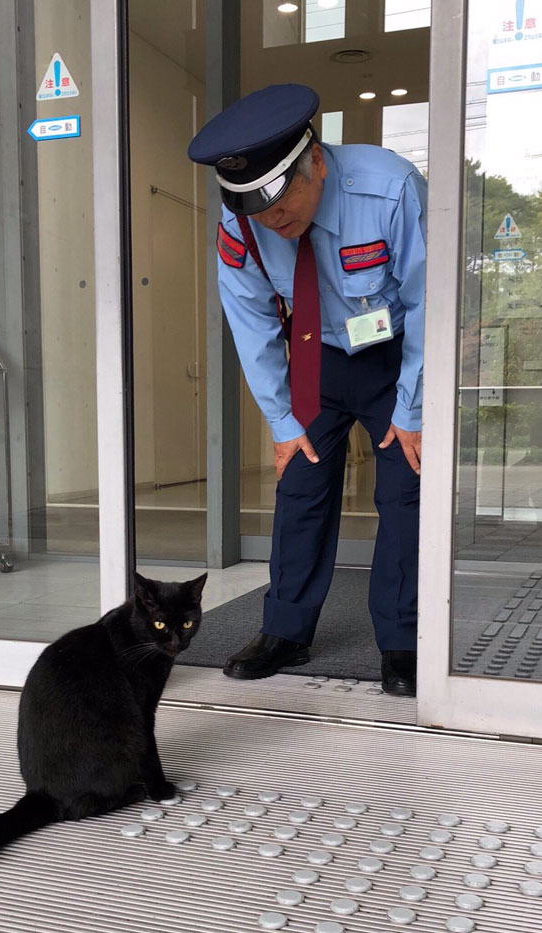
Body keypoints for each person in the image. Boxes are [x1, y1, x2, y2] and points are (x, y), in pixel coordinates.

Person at [188, 84, 426, 697]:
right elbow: (250, 318)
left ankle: (402, 641)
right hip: (315, 358)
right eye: (257, 211)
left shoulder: (392, 189)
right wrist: (282, 421)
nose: (273, 221)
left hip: (394, 357)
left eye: (282, 203)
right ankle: (285, 631)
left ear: (315, 161)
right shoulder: (240, 222)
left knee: (403, 493)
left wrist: (413, 406)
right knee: (299, 489)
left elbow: (429, 302)